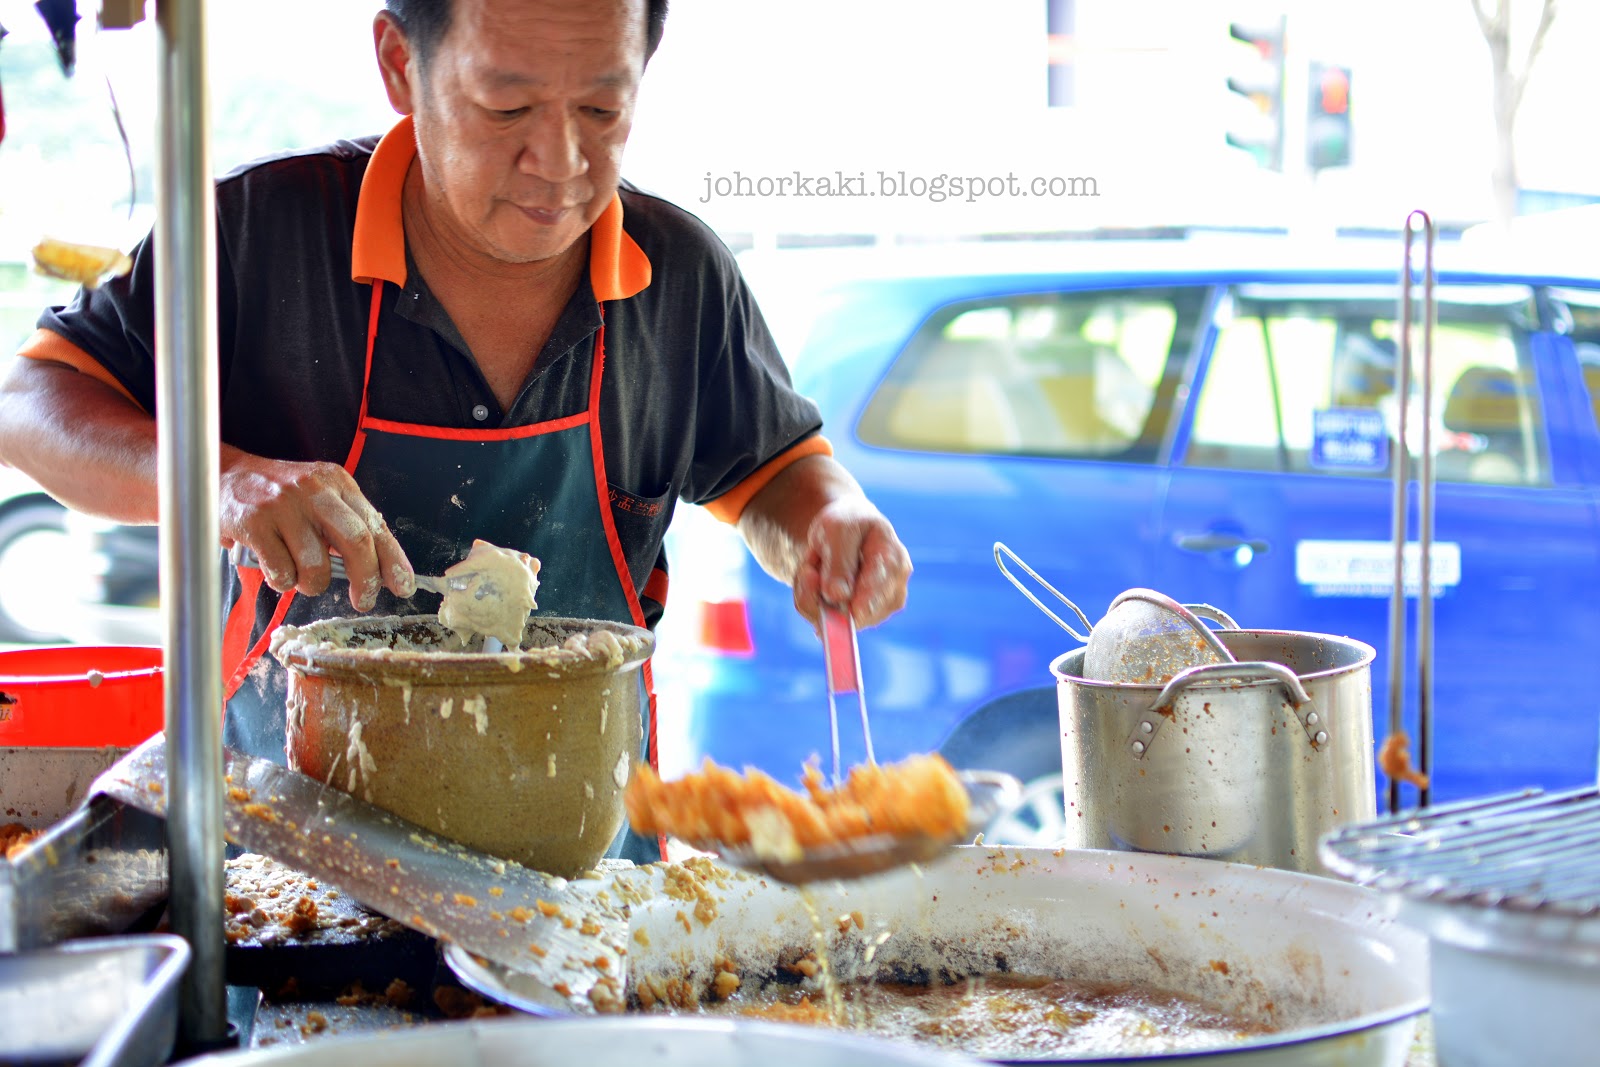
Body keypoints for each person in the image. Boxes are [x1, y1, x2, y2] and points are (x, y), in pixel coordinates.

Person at [0, 0, 912, 862]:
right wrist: (222, 478)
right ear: (401, 64)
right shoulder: (252, 236)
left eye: (602, 108)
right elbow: (30, 402)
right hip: (289, 871)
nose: (559, 160)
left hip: (586, 874)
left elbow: (779, 474)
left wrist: (831, 523)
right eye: (506, 105)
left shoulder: (679, 276)